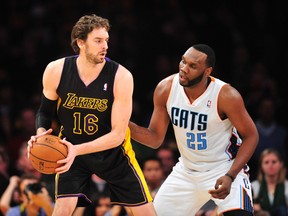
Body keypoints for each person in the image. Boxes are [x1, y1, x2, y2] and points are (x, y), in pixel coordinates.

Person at [27, 14, 156, 216]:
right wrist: (41, 133)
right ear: (80, 42)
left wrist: (76, 150)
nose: (105, 45)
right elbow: (44, 112)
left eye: (106, 40)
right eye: (98, 41)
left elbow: (118, 135)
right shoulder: (56, 70)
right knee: (61, 211)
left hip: (114, 154)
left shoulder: (121, 76)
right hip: (71, 151)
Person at [129, 44, 259, 216]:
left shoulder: (226, 95)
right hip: (186, 170)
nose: (184, 69)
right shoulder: (166, 88)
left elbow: (251, 136)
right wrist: (124, 124)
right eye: (183, 61)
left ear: (207, 71)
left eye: (193, 66)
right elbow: (154, 139)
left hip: (224, 168)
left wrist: (231, 175)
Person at [251, 148, 288, 216]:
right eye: (266, 162)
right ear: (261, 166)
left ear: (280, 164)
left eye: (274, 162)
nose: (270, 165)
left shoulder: (286, 186)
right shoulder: (254, 186)